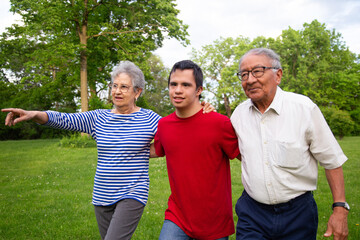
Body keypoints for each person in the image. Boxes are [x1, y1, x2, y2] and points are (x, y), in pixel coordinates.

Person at [3, 61, 162, 240]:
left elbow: (175, 136)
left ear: (137, 92)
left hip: (132, 193)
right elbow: (63, 119)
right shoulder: (98, 118)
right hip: (102, 194)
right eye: (114, 86)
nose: (117, 91)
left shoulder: (150, 119)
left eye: (124, 87)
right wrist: (34, 114)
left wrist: (199, 114)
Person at [230, 48, 349, 240]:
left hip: (298, 213)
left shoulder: (304, 109)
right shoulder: (238, 115)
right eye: (244, 74)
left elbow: (332, 160)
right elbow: (236, 150)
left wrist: (340, 208)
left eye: (257, 71)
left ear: (278, 75)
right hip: (252, 212)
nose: (250, 80)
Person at [150, 60, 240, 240]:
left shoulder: (219, 123)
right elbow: (154, 150)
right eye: (173, 84)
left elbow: (245, 156)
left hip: (214, 222)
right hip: (177, 216)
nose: (177, 90)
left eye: (186, 85)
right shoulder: (164, 125)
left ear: (199, 90)